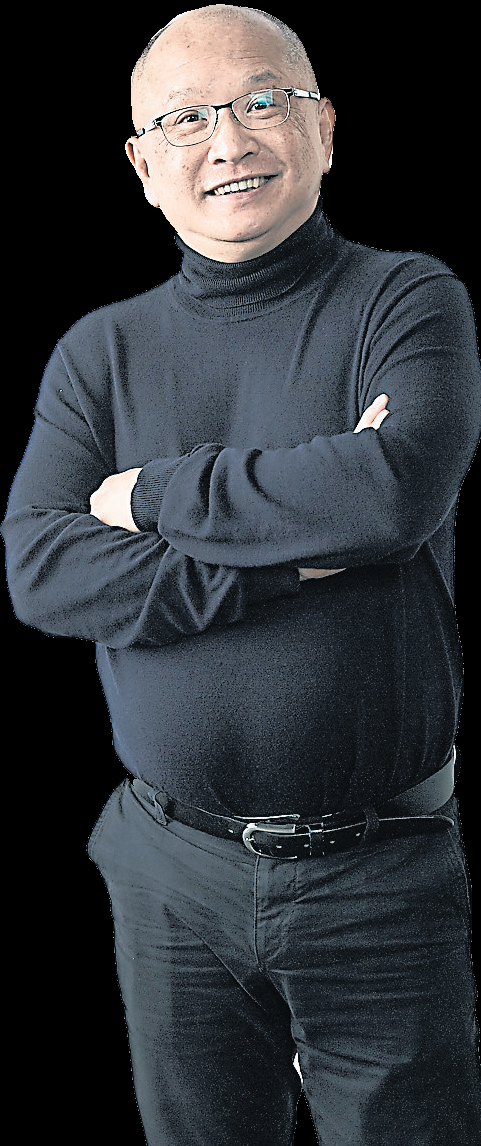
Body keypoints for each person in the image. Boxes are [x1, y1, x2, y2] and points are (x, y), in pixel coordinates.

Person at [2, 5, 481, 1143]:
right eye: (186, 119)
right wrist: (289, 561)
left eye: (263, 101)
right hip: (170, 874)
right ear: (141, 165)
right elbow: (42, 570)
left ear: (323, 126)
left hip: (378, 873)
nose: (228, 141)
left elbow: (390, 494)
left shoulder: (406, 300)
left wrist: (150, 496)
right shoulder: (99, 354)